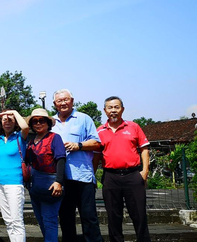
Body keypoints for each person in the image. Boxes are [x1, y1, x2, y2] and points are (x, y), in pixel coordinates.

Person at [93, 96, 151, 242]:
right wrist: (92, 176)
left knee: (139, 214)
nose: (113, 110)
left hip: (133, 175)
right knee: (113, 216)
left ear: (122, 109)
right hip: (110, 177)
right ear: (105, 111)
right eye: (110, 108)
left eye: (117, 107)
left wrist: (144, 172)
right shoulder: (99, 131)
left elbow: (144, 149)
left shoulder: (133, 127)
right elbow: (96, 157)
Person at [52, 89, 103, 242]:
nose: (63, 103)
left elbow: (97, 143)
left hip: (82, 176)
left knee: (89, 218)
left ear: (72, 101)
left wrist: (78, 145)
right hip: (61, 179)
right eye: (59, 101)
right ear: (54, 104)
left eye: (66, 100)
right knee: (66, 219)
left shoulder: (83, 119)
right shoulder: (51, 122)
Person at [25, 108, 66, 242]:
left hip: (51, 184)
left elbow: (60, 159)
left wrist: (59, 181)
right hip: (35, 186)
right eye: (35, 121)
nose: (38, 123)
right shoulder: (31, 142)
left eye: (41, 121)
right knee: (41, 220)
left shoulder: (54, 138)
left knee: (49, 220)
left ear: (48, 123)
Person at [0, 109, 29, 242]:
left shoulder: (20, 137)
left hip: (14, 183)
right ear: (0, 123)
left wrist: (12, 111)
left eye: (10, 120)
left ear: (15, 122)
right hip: (0, 183)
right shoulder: (0, 139)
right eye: (4, 120)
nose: (7, 122)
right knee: (8, 220)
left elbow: (25, 126)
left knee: (16, 220)